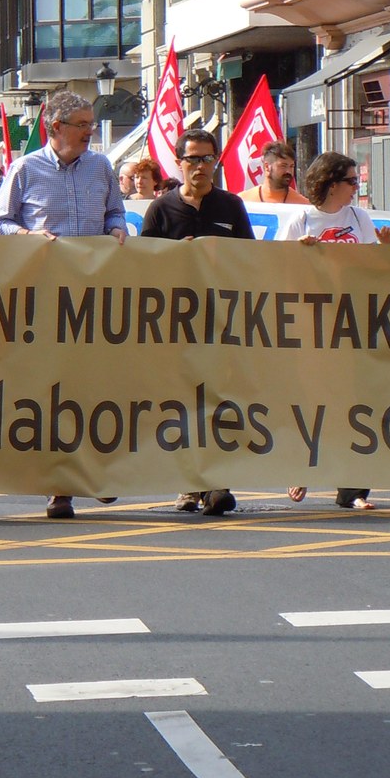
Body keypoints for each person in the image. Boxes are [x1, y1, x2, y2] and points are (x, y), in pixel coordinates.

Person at [0, 90, 126, 519]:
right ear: (55, 128)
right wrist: (28, 238)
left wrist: (117, 229)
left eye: (90, 124)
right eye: (82, 125)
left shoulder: (102, 167)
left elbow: (116, 214)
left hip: (95, 297)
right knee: (54, 394)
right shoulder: (24, 170)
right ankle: (59, 486)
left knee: (96, 388)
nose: (90, 131)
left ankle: (95, 470)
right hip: (46, 301)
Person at [139, 128, 254, 517]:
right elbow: (144, 265)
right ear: (179, 162)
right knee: (182, 405)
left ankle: (216, 482)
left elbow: (251, 260)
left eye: (207, 158)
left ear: (216, 161)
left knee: (218, 402)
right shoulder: (160, 209)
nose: (200, 166)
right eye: (192, 159)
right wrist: (176, 259)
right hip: (175, 325)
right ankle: (189, 485)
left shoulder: (231, 206)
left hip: (221, 323)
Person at [279, 152, 390, 512]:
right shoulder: (301, 219)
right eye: (351, 182)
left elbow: (373, 269)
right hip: (312, 324)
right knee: (313, 401)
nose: (355, 188)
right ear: (331, 183)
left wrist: (386, 249)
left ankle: (354, 488)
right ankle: (302, 466)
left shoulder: (359, 218)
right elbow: (275, 268)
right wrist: (300, 256)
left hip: (353, 323)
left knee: (355, 403)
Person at [237, 141, 308, 204]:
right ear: (267, 167)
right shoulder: (243, 201)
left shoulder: (302, 205)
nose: (288, 171)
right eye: (283, 166)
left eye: (291, 166)